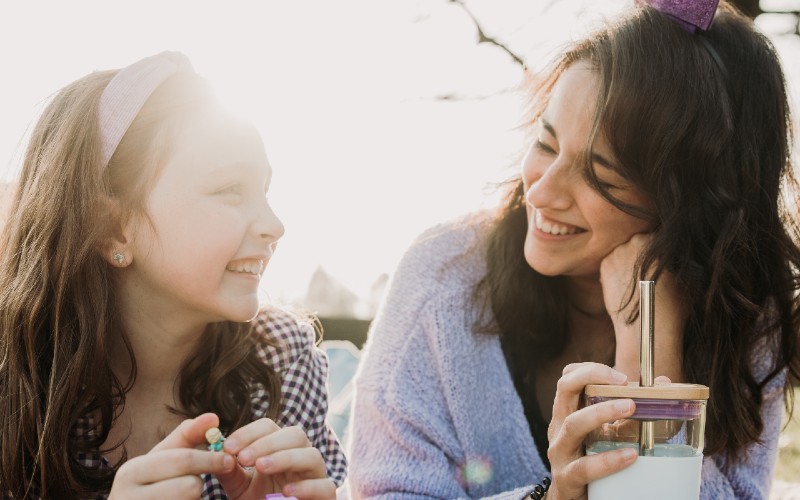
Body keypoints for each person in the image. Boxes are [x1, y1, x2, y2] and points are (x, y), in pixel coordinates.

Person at [347, 1, 800, 498]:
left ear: (689, 206)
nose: (540, 193)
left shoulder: (749, 320)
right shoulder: (445, 273)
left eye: (597, 175)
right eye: (546, 144)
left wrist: (649, 348)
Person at [0, 51, 346, 499]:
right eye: (230, 190)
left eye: (264, 190)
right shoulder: (15, 388)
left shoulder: (281, 364)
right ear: (113, 229)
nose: (274, 225)